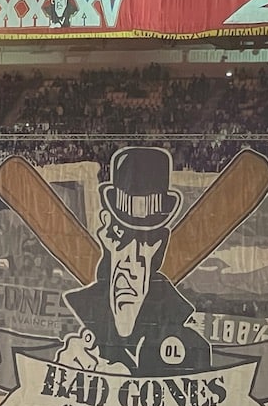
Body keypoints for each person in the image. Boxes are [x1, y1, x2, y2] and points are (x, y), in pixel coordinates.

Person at [57, 147, 211, 377]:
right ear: (105, 232)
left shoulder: (188, 344)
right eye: (121, 235)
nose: (130, 263)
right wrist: (64, 375)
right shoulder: (75, 317)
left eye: (145, 241)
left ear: (160, 245)